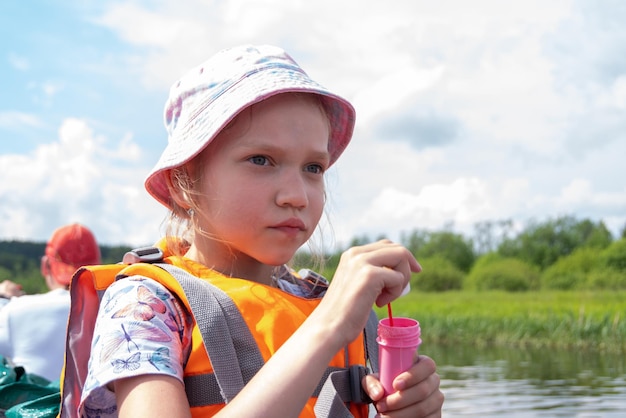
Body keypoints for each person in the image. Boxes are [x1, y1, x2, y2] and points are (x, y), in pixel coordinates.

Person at [73, 44, 444, 417]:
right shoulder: (146, 305)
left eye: (313, 167)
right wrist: (327, 326)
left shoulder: (320, 297)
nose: (296, 196)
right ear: (181, 184)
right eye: (261, 160)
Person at [0, 223, 101, 382]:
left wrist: (3, 297)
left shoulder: (15, 310)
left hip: (35, 405)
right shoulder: (113, 308)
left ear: (46, 265)